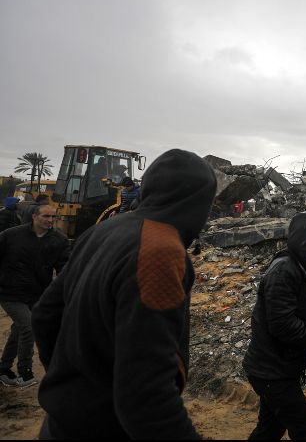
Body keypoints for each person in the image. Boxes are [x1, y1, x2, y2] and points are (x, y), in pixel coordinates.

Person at [31, 150, 216, 438]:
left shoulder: (103, 231)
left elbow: (44, 315)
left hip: (63, 422)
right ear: (199, 202)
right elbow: (146, 395)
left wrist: (74, 379)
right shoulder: (160, 251)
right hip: (108, 427)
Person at [242, 211, 306, 440]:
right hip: (271, 371)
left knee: (270, 430)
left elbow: (304, 315)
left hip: (279, 367)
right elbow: (282, 324)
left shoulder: (304, 268)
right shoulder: (284, 271)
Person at [0, 204, 70, 388]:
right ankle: (25, 372)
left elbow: (65, 267)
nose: (50, 220)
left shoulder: (59, 241)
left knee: (19, 330)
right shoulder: (11, 235)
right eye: (45, 216)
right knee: (28, 327)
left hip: (37, 293)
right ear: (34, 217)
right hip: (9, 292)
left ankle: (4, 368)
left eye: (53, 217)